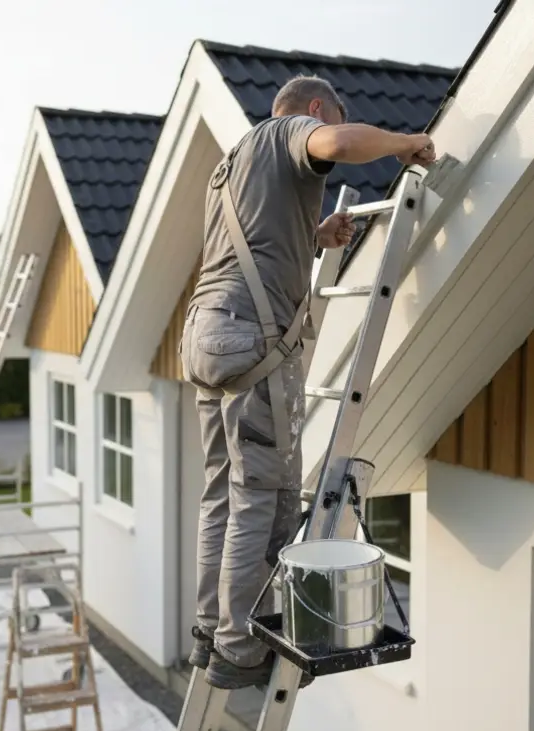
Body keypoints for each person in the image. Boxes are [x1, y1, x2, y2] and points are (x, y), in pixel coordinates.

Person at [179, 74, 437, 690]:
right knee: (257, 496)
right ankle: (242, 649)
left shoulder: (231, 164)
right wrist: (406, 142)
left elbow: (251, 239)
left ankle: (211, 633)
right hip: (250, 340)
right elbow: (340, 145)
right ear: (316, 108)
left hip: (204, 336)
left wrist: (315, 236)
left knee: (222, 493)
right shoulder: (293, 130)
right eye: (326, 118)